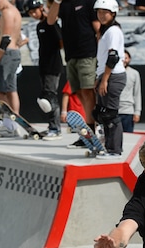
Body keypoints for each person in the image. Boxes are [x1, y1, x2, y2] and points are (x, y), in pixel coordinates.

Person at [47, 0, 100, 149]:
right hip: (71, 55)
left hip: (87, 53)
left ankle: (93, 132)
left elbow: (98, 29)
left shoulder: (89, 2)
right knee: (79, 93)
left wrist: (102, 54)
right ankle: (89, 133)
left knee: (88, 92)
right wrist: (56, 2)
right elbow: (50, 20)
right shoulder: (63, 4)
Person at [25, 0, 63, 140]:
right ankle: (52, 126)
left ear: (42, 8)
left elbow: (60, 43)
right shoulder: (40, 25)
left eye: (35, 11)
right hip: (44, 66)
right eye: (30, 13)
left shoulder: (51, 23)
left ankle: (55, 128)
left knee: (51, 96)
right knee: (46, 97)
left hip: (53, 66)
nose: (33, 14)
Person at [93, 0, 126, 157]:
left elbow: (113, 57)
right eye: (99, 12)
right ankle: (110, 146)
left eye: (105, 12)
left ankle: (115, 150)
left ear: (113, 13)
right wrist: (98, 77)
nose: (101, 15)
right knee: (103, 112)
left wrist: (104, 79)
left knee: (110, 114)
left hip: (113, 76)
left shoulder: (113, 31)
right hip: (106, 75)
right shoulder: (106, 30)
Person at [0, 0, 23, 119]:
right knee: (9, 89)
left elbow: (6, 38)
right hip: (12, 53)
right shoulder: (14, 11)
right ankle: (14, 118)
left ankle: (10, 119)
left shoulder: (7, 12)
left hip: (7, 54)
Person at [118, 50, 142, 133]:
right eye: (122, 58)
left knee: (128, 137)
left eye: (126, 58)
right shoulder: (111, 72)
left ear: (129, 59)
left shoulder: (134, 73)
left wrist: (137, 112)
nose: (124, 60)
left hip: (128, 112)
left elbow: (137, 93)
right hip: (114, 111)